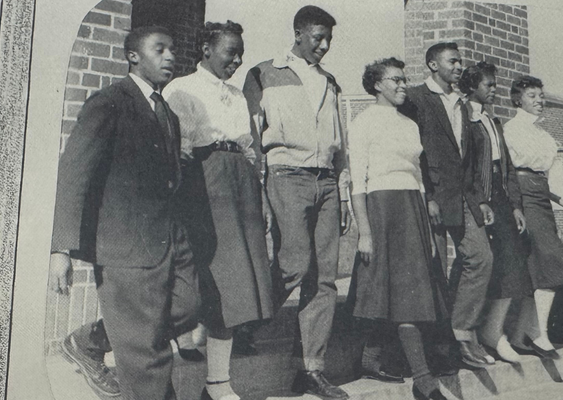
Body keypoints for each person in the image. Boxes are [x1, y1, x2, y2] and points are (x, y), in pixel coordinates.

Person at [48, 26, 202, 400]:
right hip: (126, 244)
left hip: (169, 240)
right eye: (160, 49)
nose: (170, 57)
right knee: (146, 354)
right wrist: (60, 248)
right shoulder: (109, 102)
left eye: (173, 50)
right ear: (133, 55)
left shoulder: (167, 112)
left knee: (189, 307)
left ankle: (88, 341)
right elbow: (74, 173)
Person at [242, 6, 351, 399]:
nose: (323, 46)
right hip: (286, 175)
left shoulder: (331, 81)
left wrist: (342, 189)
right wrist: (258, 187)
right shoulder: (263, 72)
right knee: (292, 263)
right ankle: (244, 323)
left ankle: (312, 369)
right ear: (299, 32)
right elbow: (251, 135)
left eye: (328, 40)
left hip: (326, 181)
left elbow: (341, 142)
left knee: (325, 278)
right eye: (317, 37)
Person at [163, 20, 274, 400]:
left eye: (241, 53)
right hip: (203, 184)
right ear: (207, 50)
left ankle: (218, 384)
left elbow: (248, 147)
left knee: (237, 288)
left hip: (240, 184)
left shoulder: (238, 96)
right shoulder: (182, 89)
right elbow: (179, 151)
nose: (238, 59)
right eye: (231, 51)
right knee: (205, 285)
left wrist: (259, 194)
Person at [349, 57, 449, 400]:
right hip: (382, 208)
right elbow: (357, 183)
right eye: (395, 80)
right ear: (377, 84)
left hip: (412, 210)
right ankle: (423, 381)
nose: (403, 85)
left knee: (404, 289)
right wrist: (364, 230)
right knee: (400, 292)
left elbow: (418, 177)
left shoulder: (409, 124)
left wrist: (426, 229)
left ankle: (372, 355)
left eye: (404, 79)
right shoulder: (363, 122)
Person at [399, 42, 494, 370]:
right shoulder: (414, 98)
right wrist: (426, 196)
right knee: (434, 271)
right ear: (431, 64)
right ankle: (439, 349)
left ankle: (462, 331)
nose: (458, 67)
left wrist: (479, 199)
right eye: (452, 61)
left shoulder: (462, 105)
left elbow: (468, 158)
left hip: (463, 197)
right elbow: (409, 149)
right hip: (431, 197)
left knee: (481, 258)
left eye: (459, 61)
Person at [457, 62, 532, 364]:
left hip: (500, 197)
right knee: (480, 263)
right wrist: (478, 201)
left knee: (513, 261)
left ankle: (494, 330)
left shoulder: (493, 120)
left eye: (494, 83)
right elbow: (465, 168)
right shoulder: (464, 118)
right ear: (472, 86)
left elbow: (508, 167)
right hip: (478, 197)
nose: (494, 89)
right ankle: (470, 333)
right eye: (488, 84)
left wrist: (515, 205)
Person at [504, 75, 563, 359]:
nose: (539, 101)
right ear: (517, 99)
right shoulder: (512, 130)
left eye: (541, 95)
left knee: (538, 267)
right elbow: (510, 170)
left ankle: (519, 335)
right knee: (550, 261)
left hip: (540, 193)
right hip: (523, 195)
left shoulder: (541, 134)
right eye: (532, 96)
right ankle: (539, 334)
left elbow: (545, 164)